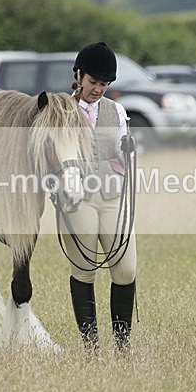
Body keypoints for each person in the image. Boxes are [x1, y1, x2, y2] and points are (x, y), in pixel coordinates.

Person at [62, 41, 137, 353]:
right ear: (79, 75)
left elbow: (121, 145)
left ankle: (122, 344)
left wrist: (126, 149)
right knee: (84, 267)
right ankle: (90, 345)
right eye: (93, 82)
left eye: (104, 84)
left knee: (126, 269)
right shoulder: (61, 109)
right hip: (78, 196)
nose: (97, 90)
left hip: (112, 195)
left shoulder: (115, 110)